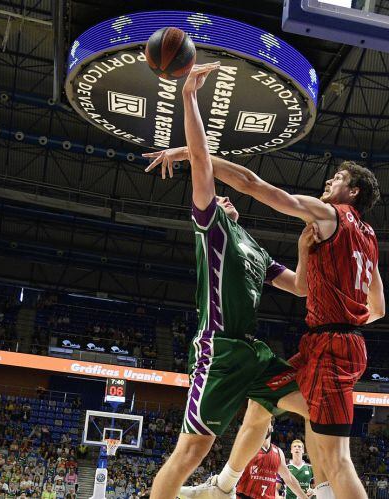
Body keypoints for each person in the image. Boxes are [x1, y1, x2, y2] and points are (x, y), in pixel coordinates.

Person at [146, 64, 384, 499]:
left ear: (352, 193)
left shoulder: (275, 241)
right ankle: (223, 486)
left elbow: (261, 194)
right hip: (223, 350)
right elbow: (352, 301)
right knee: (239, 422)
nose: (330, 181)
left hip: (294, 346)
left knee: (332, 443)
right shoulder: (212, 225)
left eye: (338, 179)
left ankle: (324, 490)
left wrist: (333, 312)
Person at [146, 63, 313, 499]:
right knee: (191, 451)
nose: (220, 194)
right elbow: (203, 160)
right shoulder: (212, 226)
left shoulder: (255, 249)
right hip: (217, 349)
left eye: (223, 195)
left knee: (318, 408)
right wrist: (189, 98)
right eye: (215, 192)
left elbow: (300, 287)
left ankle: (225, 486)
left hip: (252, 353)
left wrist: (305, 245)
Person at [235, 422, 308, 499]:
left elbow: (289, 479)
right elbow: (232, 473)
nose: (263, 425)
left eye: (266, 422)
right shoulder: (247, 447)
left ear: (272, 428)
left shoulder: (278, 452)